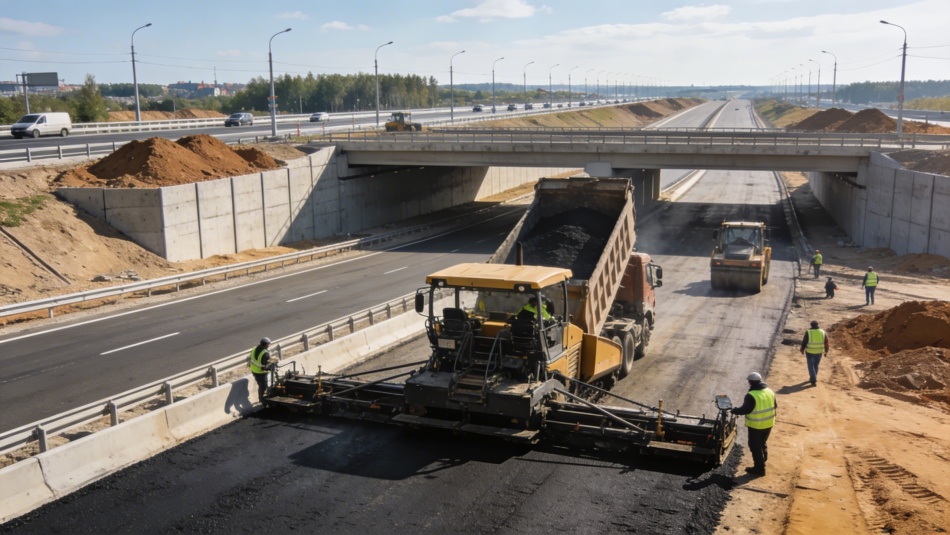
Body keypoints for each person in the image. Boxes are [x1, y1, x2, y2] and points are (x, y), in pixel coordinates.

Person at [730, 372, 776, 477]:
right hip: (769, 423)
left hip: (756, 425)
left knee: (755, 446)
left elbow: (746, 410)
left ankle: (759, 469)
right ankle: (762, 460)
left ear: (750, 382)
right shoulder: (770, 391)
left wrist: (734, 411)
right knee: (762, 443)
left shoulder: (751, 395)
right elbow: (775, 406)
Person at [800, 320, 828, 386]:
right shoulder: (822, 332)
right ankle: (814, 377)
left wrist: (802, 349)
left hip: (810, 352)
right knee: (816, 365)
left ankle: (813, 379)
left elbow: (804, 342)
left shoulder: (808, 332)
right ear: (818, 325)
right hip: (819, 352)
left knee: (811, 366)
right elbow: (826, 342)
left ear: (811, 325)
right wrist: (826, 351)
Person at [249, 337, 276, 403]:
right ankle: (262, 400)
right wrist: (272, 364)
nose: (269, 346)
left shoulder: (254, 348)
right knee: (263, 386)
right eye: (268, 344)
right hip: (261, 372)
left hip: (254, 370)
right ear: (266, 344)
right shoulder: (265, 354)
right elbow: (265, 367)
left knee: (260, 385)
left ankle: (262, 397)